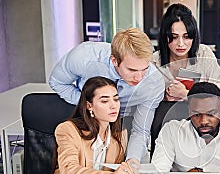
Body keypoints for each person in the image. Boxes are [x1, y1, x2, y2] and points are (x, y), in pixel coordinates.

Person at [48, 28, 165, 163]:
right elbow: (57, 82)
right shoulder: (84, 57)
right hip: (85, 122)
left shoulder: (153, 83)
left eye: (144, 69)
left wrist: (132, 160)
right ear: (114, 60)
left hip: (122, 128)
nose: (139, 77)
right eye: (131, 70)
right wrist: (90, 105)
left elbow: (140, 130)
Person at [40, 77, 142, 174]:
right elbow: (69, 171)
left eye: (116, 99)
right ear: (89, 106)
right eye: (104, 101)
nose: (113, 106)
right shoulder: (68, 130)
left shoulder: (119, 137)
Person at [151, 82, 220, 174]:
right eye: (196, 114)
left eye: (210, 114)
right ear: (189, 111)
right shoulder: (172, 131)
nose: (203, 121)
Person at [154, 3, 220, 101]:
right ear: (165, 37)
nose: (181, 44)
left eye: (186, 37)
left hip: (200, 114)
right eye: (174, 37)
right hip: (165, 114)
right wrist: (163, 96)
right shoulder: (154, 61)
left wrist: (186, 94)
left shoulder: (204, 54)